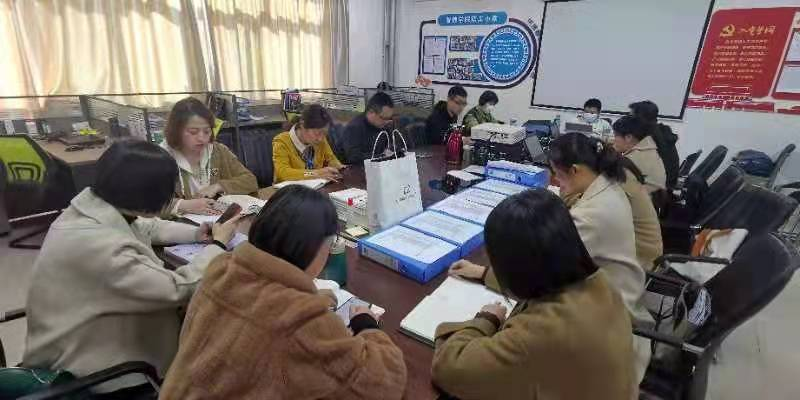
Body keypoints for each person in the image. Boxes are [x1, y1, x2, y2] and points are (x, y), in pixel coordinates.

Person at [23, 140, 242, 395]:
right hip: (93, 370)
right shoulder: (101, 247)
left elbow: (148, 226)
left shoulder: (92, 209)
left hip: (86, 329)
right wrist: (217, 245)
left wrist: (197, 234)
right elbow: (177, 289)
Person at [159, 186, 408, 399]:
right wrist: (366, 324)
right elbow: (384, 384)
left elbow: (257, 314)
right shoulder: (302, 320)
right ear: (314, 247)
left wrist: (308, 299)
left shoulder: (221, 268)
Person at [451, 133, 651, 384]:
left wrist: (483, 275)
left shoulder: (591, 217)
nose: (555, 181)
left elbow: (536, 271)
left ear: (575, 170)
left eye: (557, 174)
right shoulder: (605, 185)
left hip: (611, 320)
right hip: (607, 307)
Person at [432, 189, 636, 400]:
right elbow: (546, 276)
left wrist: (486, 319)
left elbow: (448, 369)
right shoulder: (600, 283)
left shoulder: (538, 334)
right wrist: (483, 273)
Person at [161, 97, 258, 216]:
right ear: (176, 131)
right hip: (180, 224)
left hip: (214, 219)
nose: (202, 138)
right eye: (193, 132)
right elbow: (148, 205)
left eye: (207, 131)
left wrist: (219, 186)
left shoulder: (218, 151)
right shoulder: (161, 158)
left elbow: (250, 180)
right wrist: (184, 205)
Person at [272, 104, 344, 183]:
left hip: (315, 186)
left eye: (324, 134)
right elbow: (283, 173)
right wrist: (316, 173)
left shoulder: (321, 140)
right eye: (317, 133)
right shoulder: (281, 141)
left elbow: (331, 159)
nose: (320, 138)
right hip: (289, 188)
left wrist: (340, 169)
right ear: (302, 125)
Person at [629, 100, 680, 188]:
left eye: (631, 117)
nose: (628, 120)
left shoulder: (648, 137)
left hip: (656, 187)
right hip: (668, 183)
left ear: (638, 119)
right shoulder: (662, 131)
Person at [613, 115, 667, 193]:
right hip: (655, 198)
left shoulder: (632, 159)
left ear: (628, 137)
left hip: (641, 199)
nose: (613, 140)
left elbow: (612, 186)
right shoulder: (649, 149)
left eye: (615, 136)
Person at [341, 92, 395, 165]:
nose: (386, 122)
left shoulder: (382, 126)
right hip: (353, 168)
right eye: (383, 118)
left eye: (389, 118)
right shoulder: (354, 128)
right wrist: (382, 156)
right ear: (371, 112)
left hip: (377, 166)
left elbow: (389, 147)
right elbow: (354, 157)